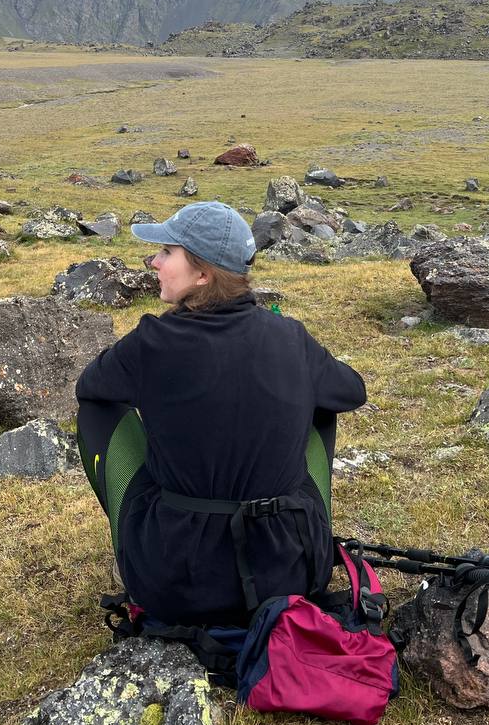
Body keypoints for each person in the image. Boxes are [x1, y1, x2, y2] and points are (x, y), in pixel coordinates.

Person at [75, 200, 367, 627]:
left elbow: (90, 386)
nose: (153, 262)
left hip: (172, 582)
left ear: (203, 274)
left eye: (167, 252)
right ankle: (307, 528)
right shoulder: (289, 337)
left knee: (98, 413)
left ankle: (133, 540)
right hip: (289, 578)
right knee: (322, 406)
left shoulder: (152, 343)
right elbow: (351, 390)